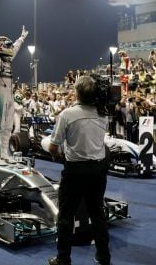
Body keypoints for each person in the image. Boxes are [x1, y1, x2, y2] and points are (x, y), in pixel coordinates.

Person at [48, 76, 111, 265]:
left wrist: (59, 156)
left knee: (66, 215)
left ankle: (63, 259)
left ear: (78, 93)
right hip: (98, 171)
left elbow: (53, 147)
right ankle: (103, 257)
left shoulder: (67, 114)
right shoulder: (103, 115)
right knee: (97, 214)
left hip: (75, 171)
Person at [0, 11, 28, 160]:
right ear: (0, 45)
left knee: (8, 125)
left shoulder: (8, 61)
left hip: (9, 95)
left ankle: (4, 152)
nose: (9, 47)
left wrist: (21, 38)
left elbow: (15, 48)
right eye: (5, 45)